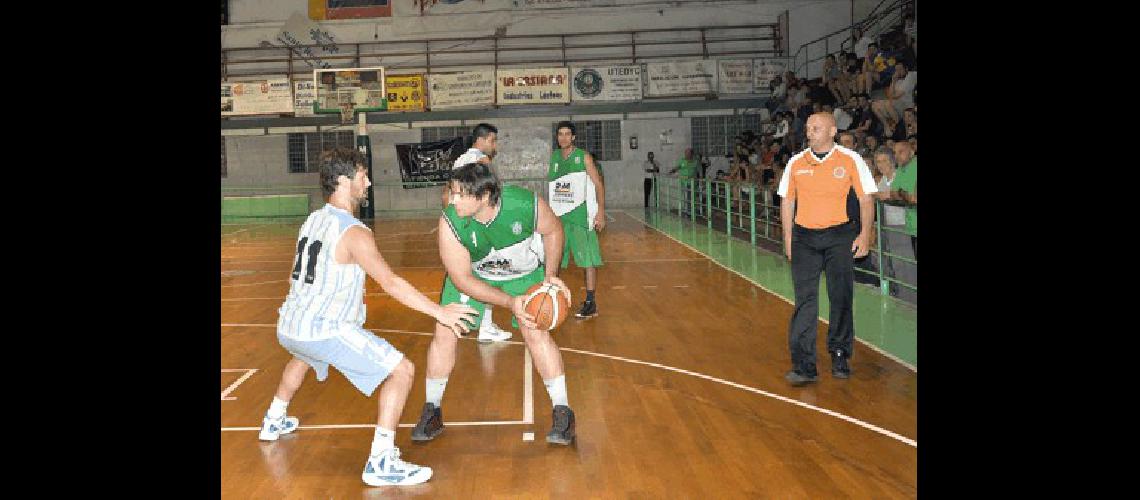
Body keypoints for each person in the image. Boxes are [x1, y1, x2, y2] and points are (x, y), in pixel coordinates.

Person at [259, 148, 478, 487]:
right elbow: (390, 282)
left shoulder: (313, 219)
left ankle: (273, 419)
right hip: (324, 329)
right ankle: (381, 460)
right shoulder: (355, 232)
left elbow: (295, 276)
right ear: (345, 180)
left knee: (301, 356)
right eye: (363, 175)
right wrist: (440, 312)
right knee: (401, 371)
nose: (370, 182)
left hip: (289, 325)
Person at [412, 162, 578, 445]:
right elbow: (462, 279)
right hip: (474, 276)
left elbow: (553, 231)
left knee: (535, 331)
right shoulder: (451, 221)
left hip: (522, 274)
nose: (453, 200)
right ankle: (432, 409)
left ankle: (563, 410)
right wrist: (508, 302)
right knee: (445, 330)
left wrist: (550, 277)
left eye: (460, 194)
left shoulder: (524, 204)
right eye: (452, 193)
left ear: (485, 197)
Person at [777, 113, 877, 386]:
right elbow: (787, 202)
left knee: (841, 296)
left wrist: (865, 234)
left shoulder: (850, 160)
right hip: (804, 239)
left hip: (839, 237)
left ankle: (840, 353)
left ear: (833, 131)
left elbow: (866, 199)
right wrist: (788, 238)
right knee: (805, 301)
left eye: (816, 128)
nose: (809, 133)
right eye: (808, 129)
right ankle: (804, 365)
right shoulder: (796, 163)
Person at [440, 123, 513, 343]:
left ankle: (481, 323)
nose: (494, 145)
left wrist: (451, 221)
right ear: (482, 140)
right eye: (493, 140)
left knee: (471, 274)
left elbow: (446, 195)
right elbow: (495, 196)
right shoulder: (482, 161)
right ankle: (482, 325)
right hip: (478, 225)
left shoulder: (460, 160)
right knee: (488, 272)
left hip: (461, 224)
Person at [549, 121, 606, 319]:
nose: (563, 138)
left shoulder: (583, 157)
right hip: (559, 219)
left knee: (587, 259)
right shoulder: (554, 157)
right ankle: (551, 297)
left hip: (581, 217)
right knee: (554, 259)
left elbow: (598, 184)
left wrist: (600, 213)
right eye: (560, 134)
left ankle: (591, 302)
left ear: (573, 137)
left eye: (567, 134)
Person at [871, 146, 916, 303]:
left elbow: (906, 197)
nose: (881, 165)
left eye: (884, 161)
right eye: (878, 162)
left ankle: (910, 300)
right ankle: (899, 296)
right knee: (892, 264)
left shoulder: (900, 176)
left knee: (905, 264)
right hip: (886, 227)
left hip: (901, 226)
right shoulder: (882, 181)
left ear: (892, 161)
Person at [669, 147, 699, 216]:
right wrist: (672, 171)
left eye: (688, 153)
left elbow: (699, 170)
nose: (686, 155)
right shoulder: (682, 160)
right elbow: (678, 167)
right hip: (684, 182)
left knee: (692, 197)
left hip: (693, 182)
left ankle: (691, 210)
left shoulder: (695, 161)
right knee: (687, 196)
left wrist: (701, 178)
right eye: (685, 153)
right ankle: (688, 211)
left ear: (691, 154)